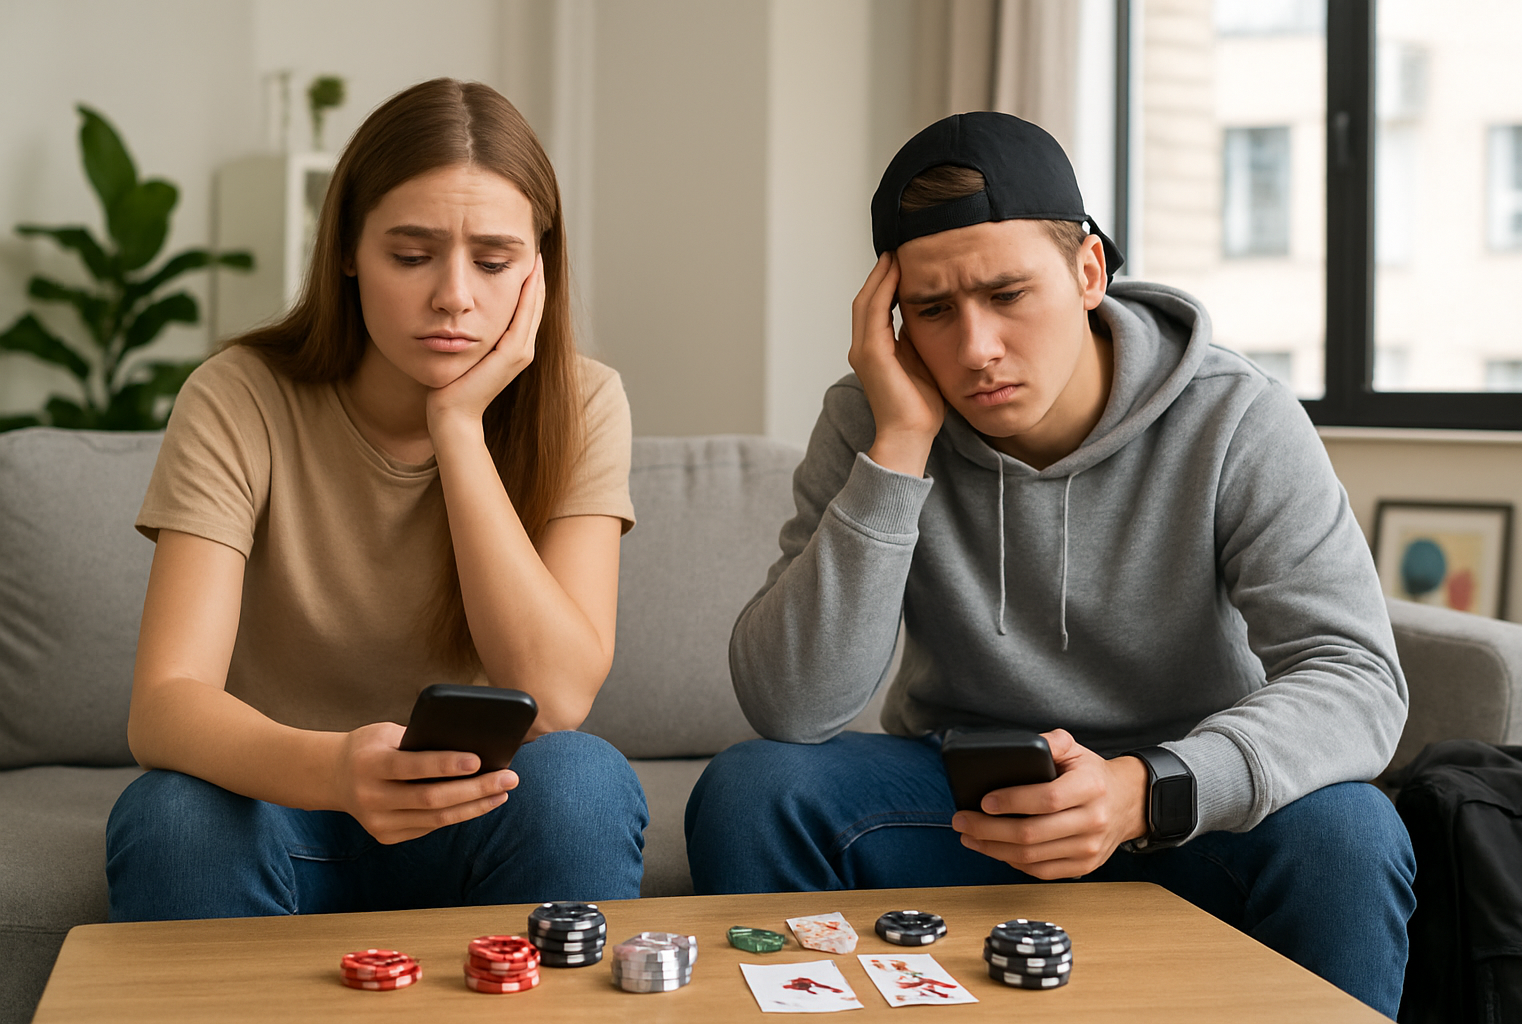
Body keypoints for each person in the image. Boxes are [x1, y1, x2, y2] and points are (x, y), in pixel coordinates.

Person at [685, 112, 1415, 1017]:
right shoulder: (876, 416)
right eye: (934, 310)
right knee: (755, 791)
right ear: (892, 317)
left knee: (1351, 832)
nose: (976, 349)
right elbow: (792, 705)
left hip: (1180, 807)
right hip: (968, 808)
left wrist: (1147, 789)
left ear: (1088, 272)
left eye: (1007, 294)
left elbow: (1357, 679)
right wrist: (901, 444)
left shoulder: (1239, 418)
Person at [106, 79, 646, 921]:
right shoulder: (238, 395)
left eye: (495, 261)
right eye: (411, 254)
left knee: (582, 778)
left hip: (476, 811)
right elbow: (165, 704)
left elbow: (558, 694)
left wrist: (458, 428)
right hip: (283, 806)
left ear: (538, 271)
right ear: (348, 251)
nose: (455, 296)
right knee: (171, 815)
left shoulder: (583, 402)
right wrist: (331, 772)